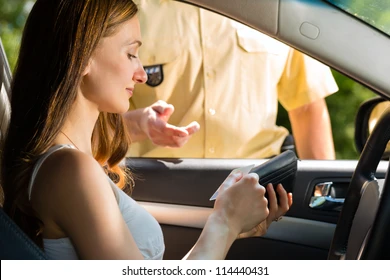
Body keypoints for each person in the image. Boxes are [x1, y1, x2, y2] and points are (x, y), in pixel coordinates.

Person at [0, 0, 292, 260]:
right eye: (130, 54)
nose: (141, 74)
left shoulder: (75, 163)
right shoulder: (71, 170)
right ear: (82, 56)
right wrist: (224, 222)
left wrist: (232, 222)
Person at [123, 0, 338, 160]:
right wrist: (139, 124)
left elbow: (307, 108)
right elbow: (94, 119)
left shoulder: (282, 6)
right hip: (154, 193)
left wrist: (324, 196)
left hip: (261, 187)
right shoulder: (123, 8)